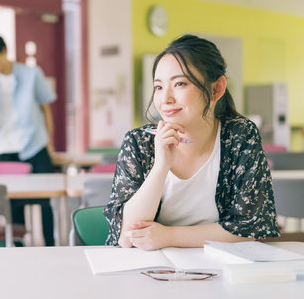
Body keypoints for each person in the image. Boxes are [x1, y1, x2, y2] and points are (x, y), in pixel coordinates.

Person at [104, 34, 280, 251]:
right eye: (158, 87)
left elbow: (249, 228)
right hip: (149, 270)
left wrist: (168, 236)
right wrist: (160, 167)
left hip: (219, 269)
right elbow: (126, 234)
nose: (165, 99)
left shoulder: (240, 136)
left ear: (216, 89)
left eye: (179, 83)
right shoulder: (139, 142)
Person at [0, 33, 56, 246]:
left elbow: (46, 109)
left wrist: (50, 144)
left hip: (34, 145)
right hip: (3, 150)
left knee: (46, 200)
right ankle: (19, 249)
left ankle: (53, 246)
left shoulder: (32, 74)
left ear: (4, 51)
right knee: (13, 203)